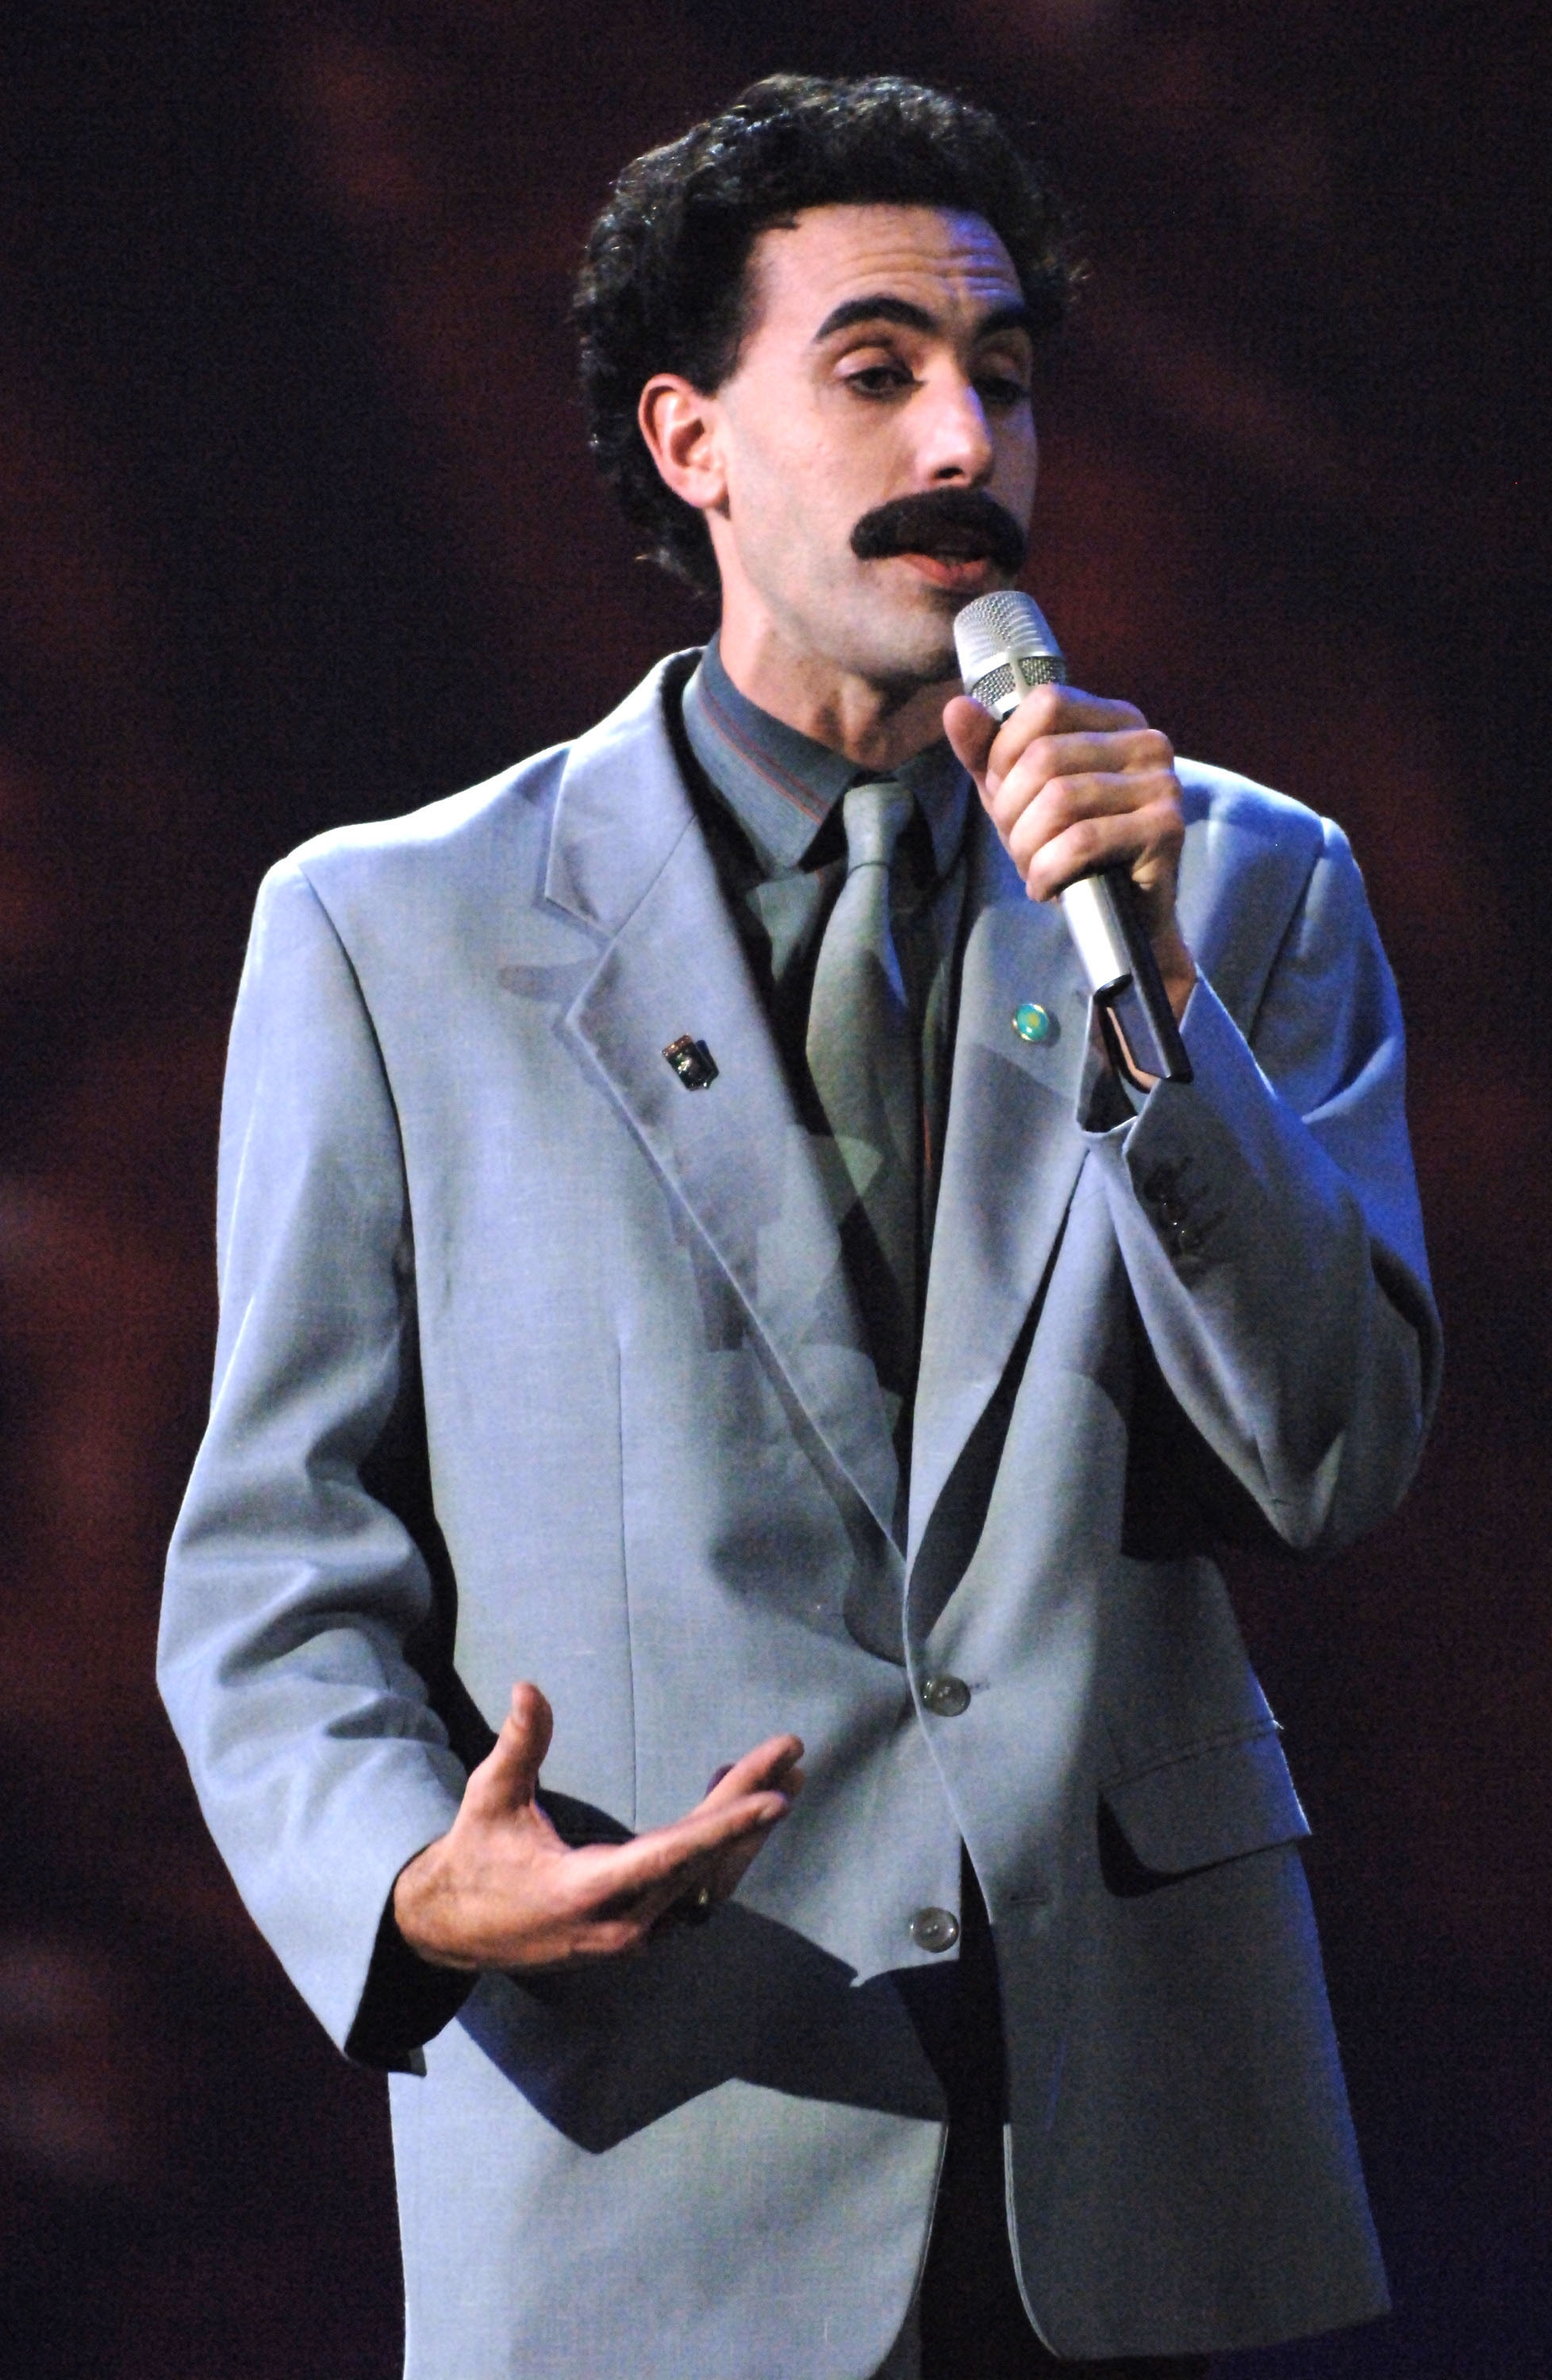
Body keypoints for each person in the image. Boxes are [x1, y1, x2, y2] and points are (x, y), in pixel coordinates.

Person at [159, 73, 1440, 2380]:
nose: (963, 433)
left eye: (1002, 376)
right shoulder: (392, 928)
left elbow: (1330, 1459)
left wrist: (1142, 985)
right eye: (875, 368)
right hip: (667, 2121)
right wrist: (404, 1879)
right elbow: (270, 1563)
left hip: (1143, 2139)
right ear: (690, 439)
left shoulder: (1243, 883)